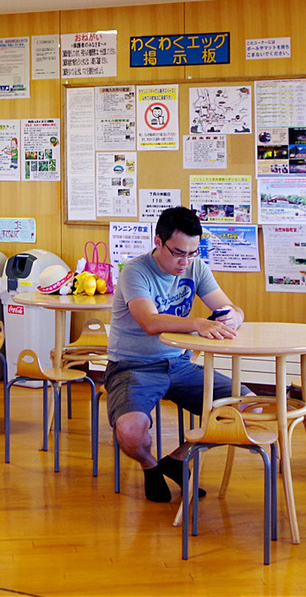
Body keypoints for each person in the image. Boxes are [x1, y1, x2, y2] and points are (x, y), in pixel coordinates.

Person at [105, 205, 246, 502]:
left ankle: (178, 459)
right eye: (178, 252)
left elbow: (230, 307)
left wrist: (234, 316)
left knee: (247, 407)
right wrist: (197, 323)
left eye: (192, 253)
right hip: (133, 366)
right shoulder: (135, 271)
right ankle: (151, 466)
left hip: (179, 364)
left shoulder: (196, 267)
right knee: (130, 430)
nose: (185, 262)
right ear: (158, 242)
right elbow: (149, 321)